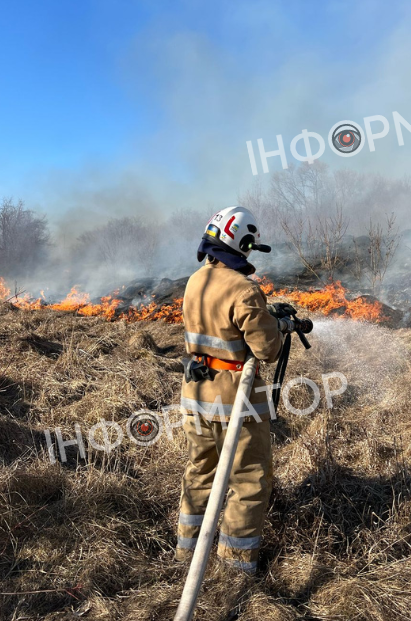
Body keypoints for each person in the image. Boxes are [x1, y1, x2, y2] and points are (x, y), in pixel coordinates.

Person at [175, 205, 283, 573]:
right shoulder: (243, 289)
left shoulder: (194, 281)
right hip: (236, 402)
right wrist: (278, 326)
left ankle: (186, 552)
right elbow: (267, 350)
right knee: (249, 481)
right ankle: (234, 568)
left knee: (200, 473)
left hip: (195, 396)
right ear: (244, 242)